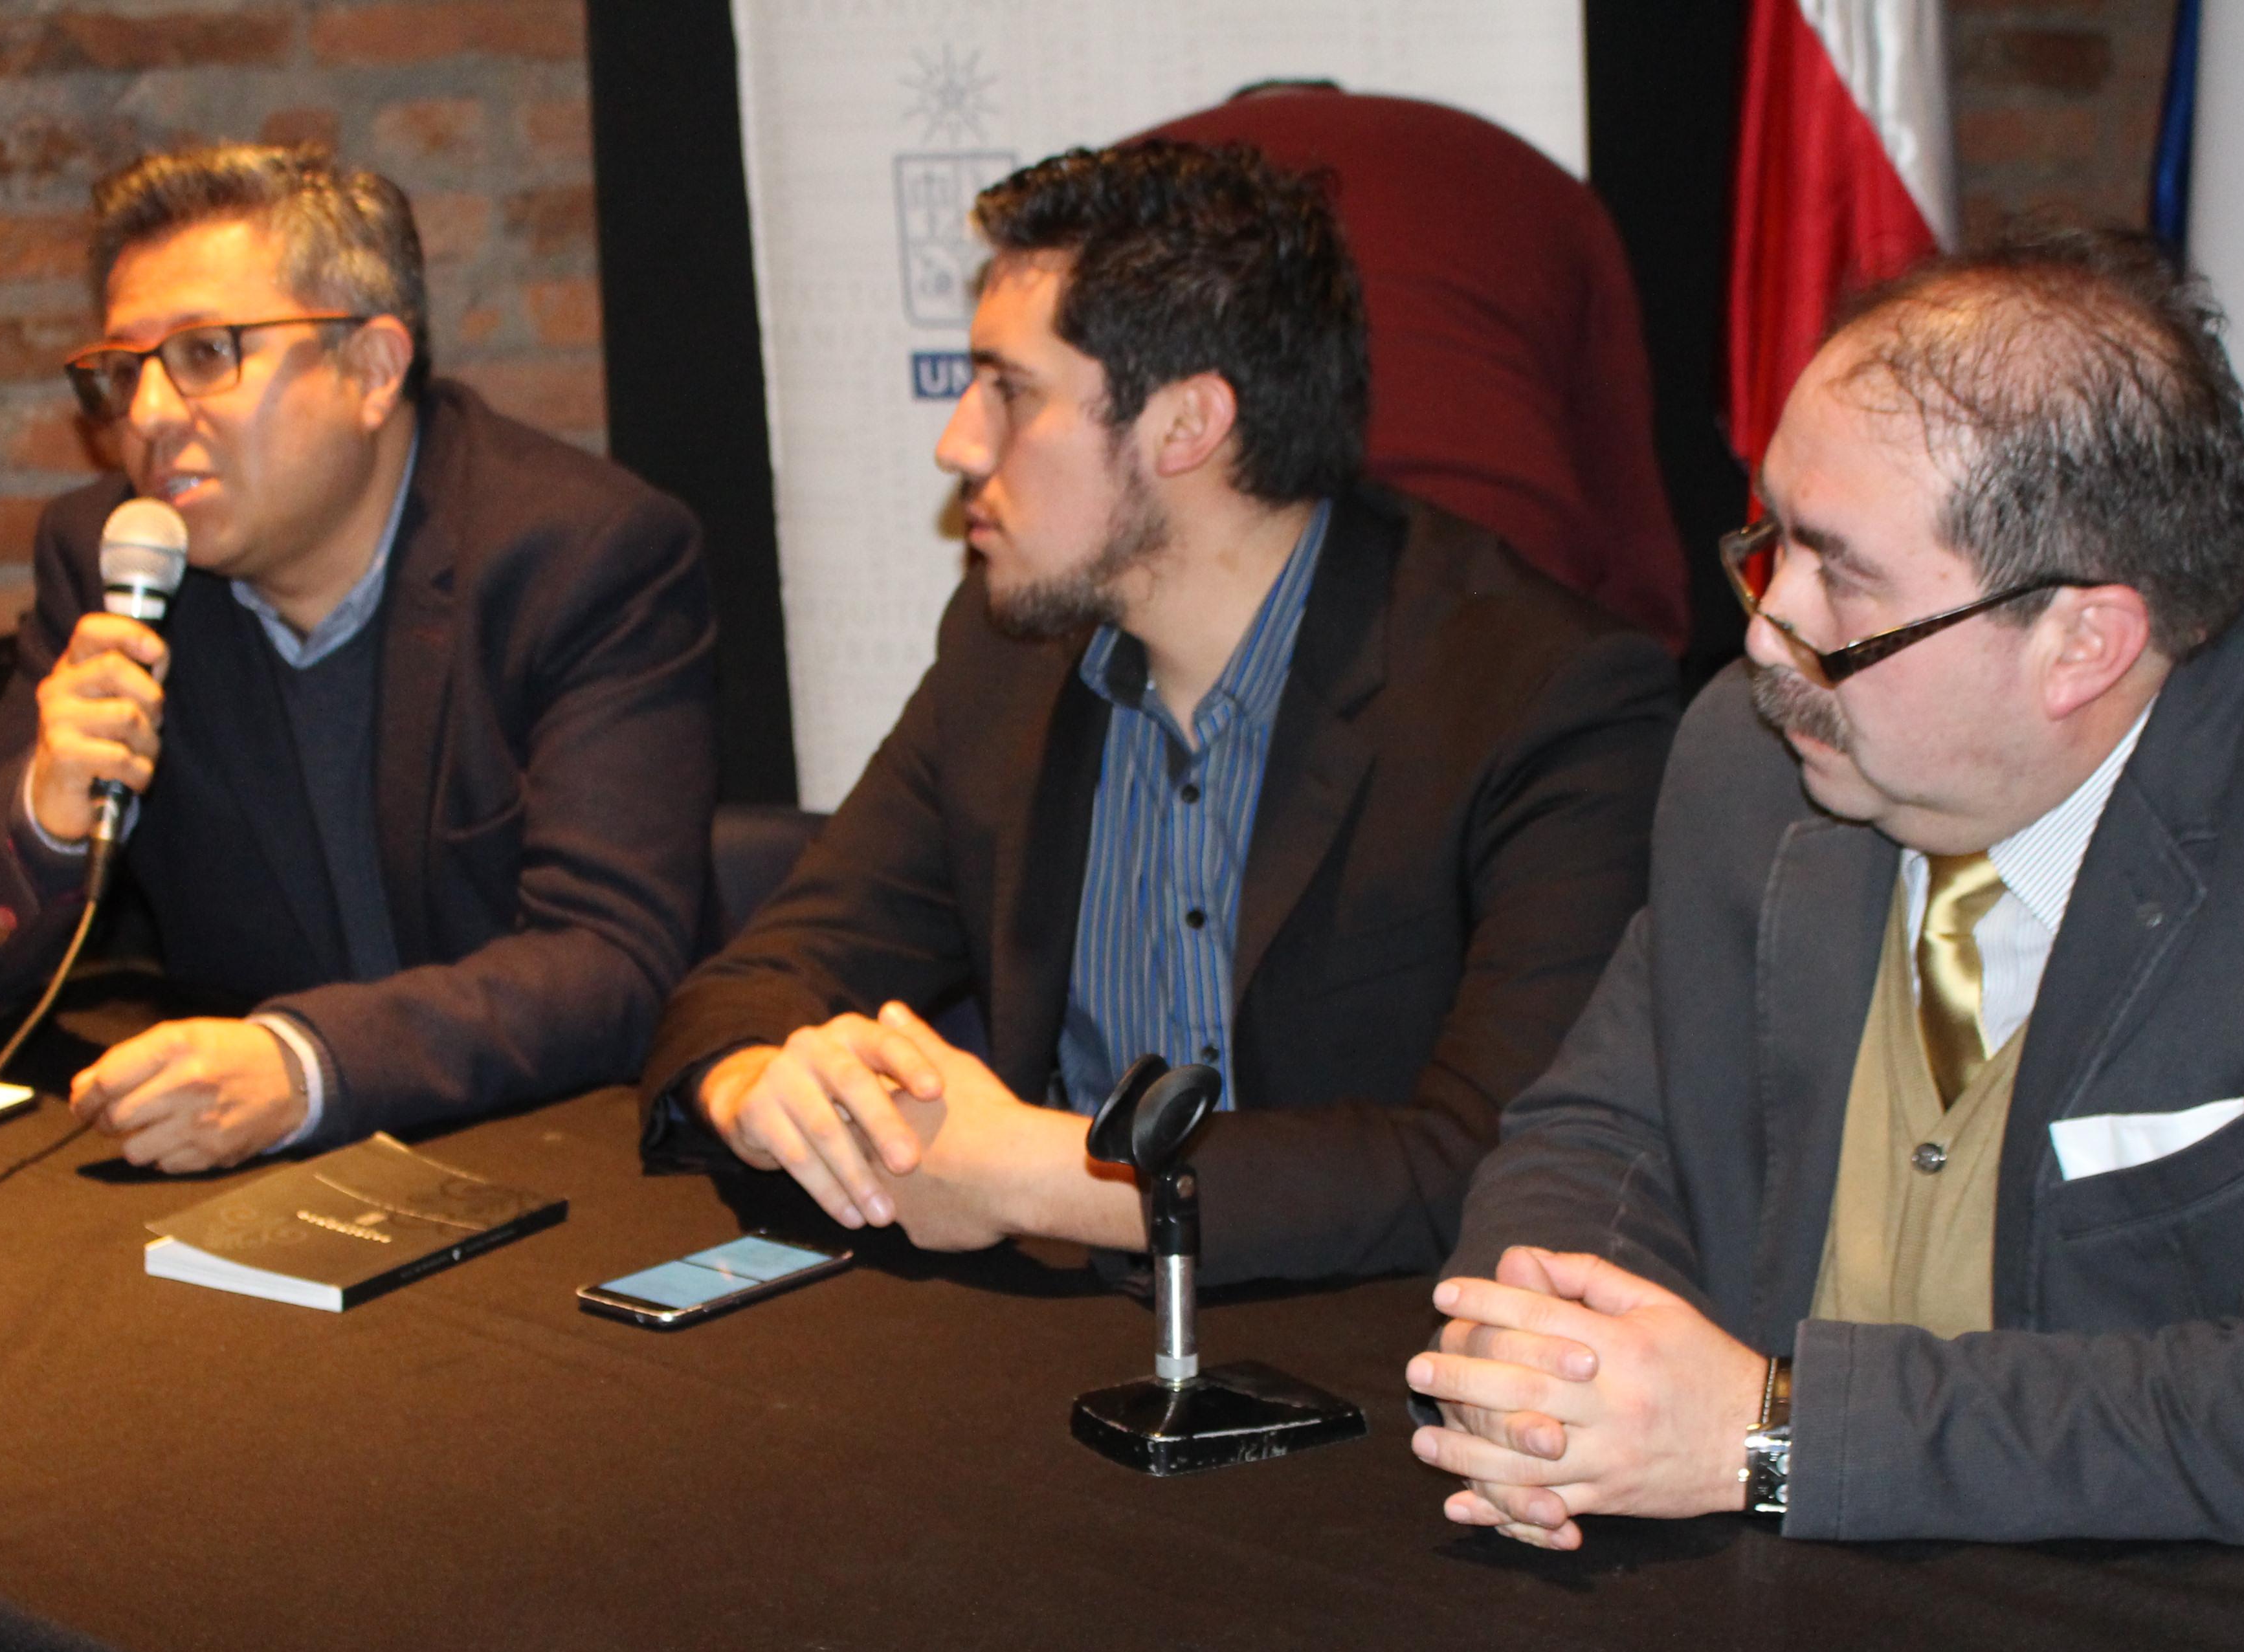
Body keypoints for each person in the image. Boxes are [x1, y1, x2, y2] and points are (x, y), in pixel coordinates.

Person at [1410, 233, 2244, 1559]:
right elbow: (1611, 1123)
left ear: (2084, 642)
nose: (1767, 628)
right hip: (1874, 1629)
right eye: (1774, 538)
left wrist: (1773, 1432)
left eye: (1843, 577)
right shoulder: (1760, 755)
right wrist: (1544, 1371)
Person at [639, 141, 1679, 1288]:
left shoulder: (1542, 698)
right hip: (1065, 1359)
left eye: (1011, 393)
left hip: (1378, 1380)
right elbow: (763, 975)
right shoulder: (1009, 651)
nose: (956, 446)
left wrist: (1049, 1172)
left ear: (1186, 425)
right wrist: (758, 1087)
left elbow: (1499, 1167)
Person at [0, 144, 716, 1171]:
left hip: (544, 1144)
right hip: (263, 1180)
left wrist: (305, 1066)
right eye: (125, 369)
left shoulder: (583, 557)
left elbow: (612, 962)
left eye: (203, 354)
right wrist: (44, 814)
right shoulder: (120, 563)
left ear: (371, 370)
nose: (145, 417)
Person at [1143, 83, 1692, 652]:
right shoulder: (1528, 181)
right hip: (1511, 575)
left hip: (1240, 589)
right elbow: (1631, 514)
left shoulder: (1121, 197)